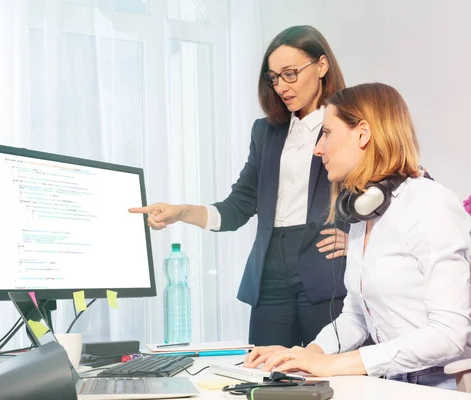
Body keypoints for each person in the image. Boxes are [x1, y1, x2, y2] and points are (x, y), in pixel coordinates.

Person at [243, 82, 471, 396]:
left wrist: (339, 364)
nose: (318, 148)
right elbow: (356, 317)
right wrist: (309, 353)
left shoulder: (430, 204)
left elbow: (449, 334)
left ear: (362, 133)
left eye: (328, 133)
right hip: (391, 383)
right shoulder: (365, 212)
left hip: (447, 386)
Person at [129, 25, 349, 347]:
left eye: (290, 74)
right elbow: (239, 205)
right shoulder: (266, 132)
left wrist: (357, 240)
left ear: (321, 66)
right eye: (274, 78)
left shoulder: (346, 123)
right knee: (264, 376)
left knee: (327, 374)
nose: (281, 87)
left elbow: (380, 186)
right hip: (270, 270)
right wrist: (182, 212)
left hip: (324, 269)